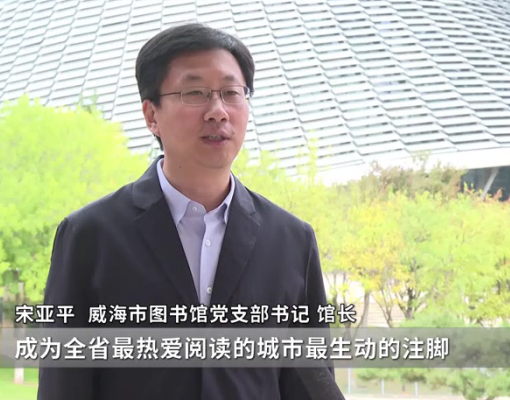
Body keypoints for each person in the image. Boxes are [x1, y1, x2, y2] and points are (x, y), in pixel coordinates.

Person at [37, 23, 340, 400]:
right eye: (194, 93)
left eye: (231, 93)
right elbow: (63, 384)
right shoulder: (90, 236)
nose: (218, 111)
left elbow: (312, 385)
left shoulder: (291, 240)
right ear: (151, 115)